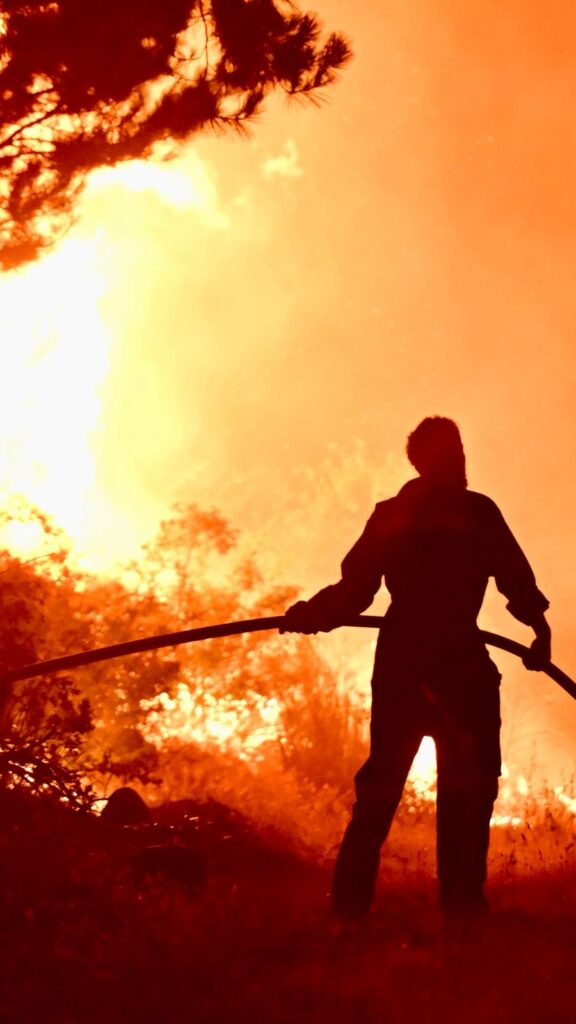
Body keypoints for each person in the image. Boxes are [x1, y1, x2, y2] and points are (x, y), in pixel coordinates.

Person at [282, 417, 551, 921]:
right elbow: (515, 582)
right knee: (447, 793)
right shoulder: (467, 513)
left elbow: (354, 591)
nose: (461, 462)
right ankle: (445, 911)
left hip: (412, 666)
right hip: (451, 668)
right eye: (452, 453)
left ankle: (365, 913)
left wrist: (314, 614)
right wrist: (313, 613)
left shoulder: (412, 514)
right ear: (430, 462)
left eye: (460, 451)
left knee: (400, 791)